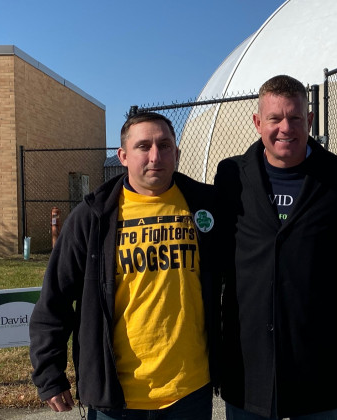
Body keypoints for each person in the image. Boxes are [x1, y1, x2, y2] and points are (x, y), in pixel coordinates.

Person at [29, 112, 220, 420]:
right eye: (143, 146)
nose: (155, 155)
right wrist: (49, 373)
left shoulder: (206, 205)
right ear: (123, 156)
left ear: (177, 152)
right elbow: (55, 299)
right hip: (116, 398)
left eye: (165, 145)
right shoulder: (91, 218)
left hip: (190, 392)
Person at [214, 74, 337, 419]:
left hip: (317, 365)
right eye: (274, 118)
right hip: (248, 366)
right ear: (258, 122)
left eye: (295, 117)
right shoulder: (231, 176)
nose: (285, 127)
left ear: (310, 120)